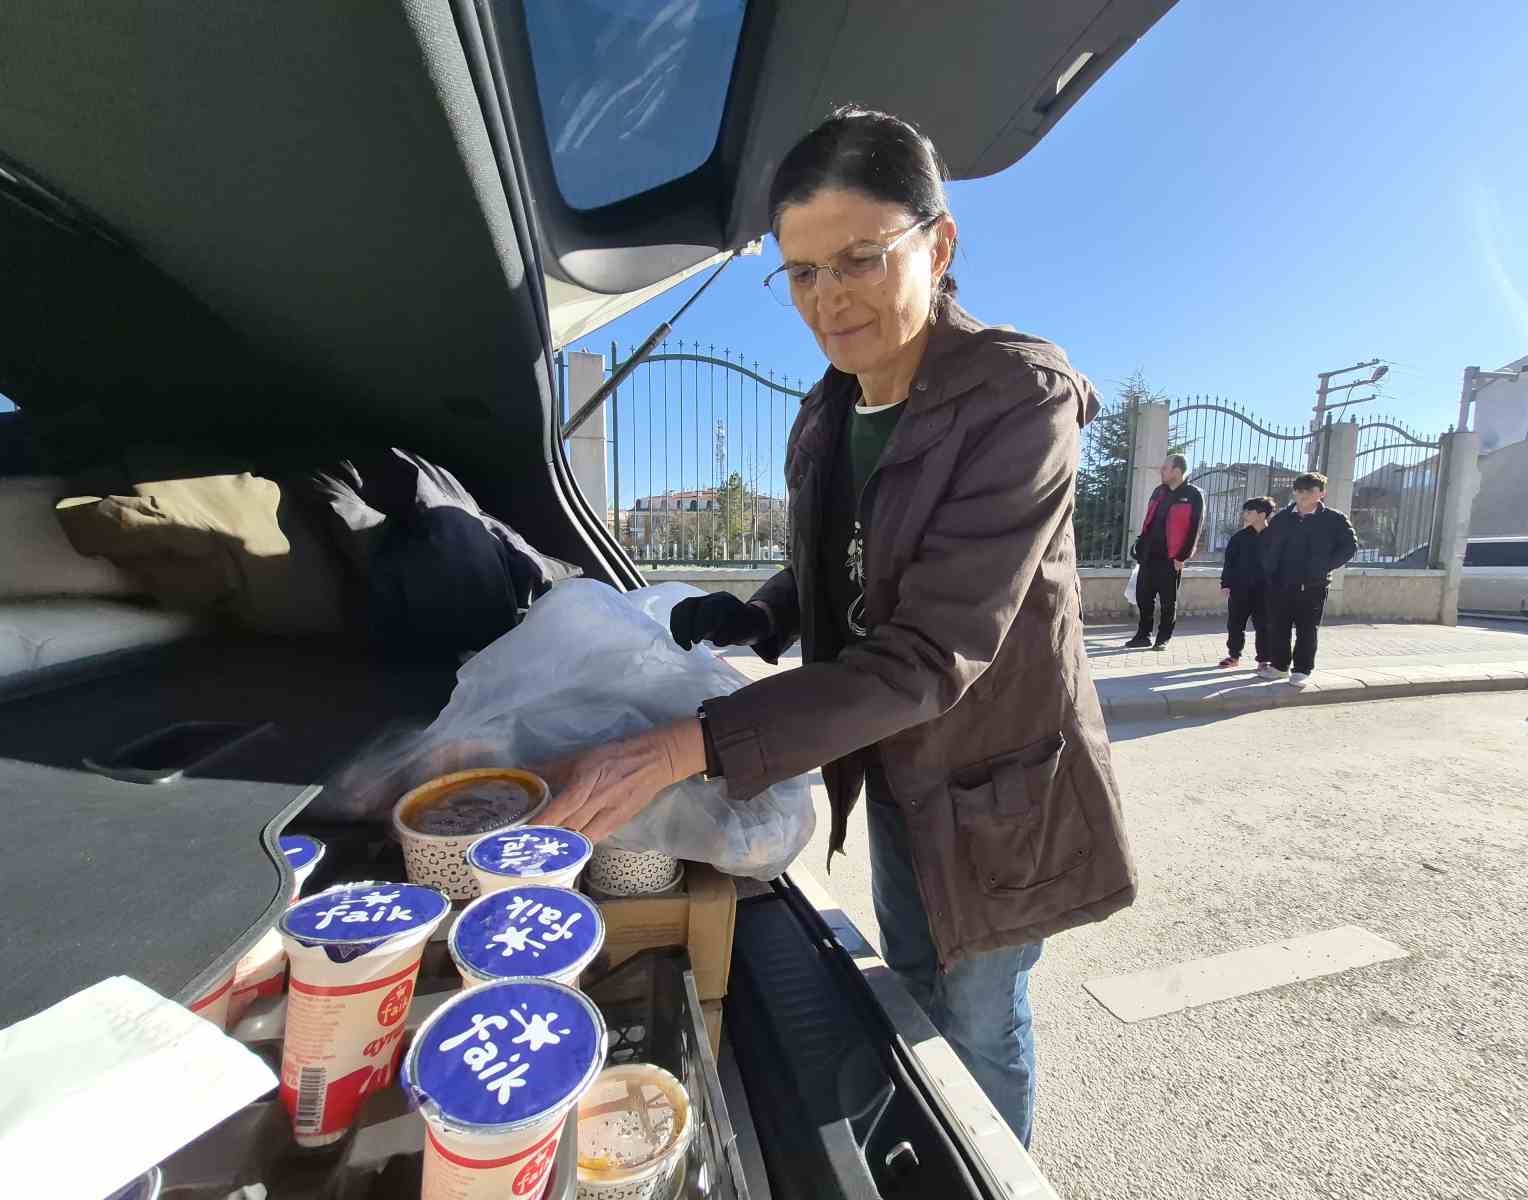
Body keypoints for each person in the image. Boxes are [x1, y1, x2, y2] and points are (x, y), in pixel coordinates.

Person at [533, 107, 1136, 1147]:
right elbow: (846, 562)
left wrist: (686, 746)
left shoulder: (1018, 399)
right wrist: (760, 611)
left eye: (859, 259)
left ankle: (990, 1168)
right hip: (891, 762)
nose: (828, 299)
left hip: (996, 786)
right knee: (911, 985)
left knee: (981, 1013)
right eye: (803, 272)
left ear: (938, 245)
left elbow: (931, 648)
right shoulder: (827, 412)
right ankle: (930, 1144)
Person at [1258, 472, 1358, 686]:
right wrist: (1269, 569)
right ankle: (1279, 667)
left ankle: (1302, 670)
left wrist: (1323, 567)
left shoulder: (1334, 519)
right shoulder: (1282, 518)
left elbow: (1349, 547)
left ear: (1321, 493)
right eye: (1299, 490)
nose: (1302, 495)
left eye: (1309, 490)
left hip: (1313, 585)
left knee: (1307, 629)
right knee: (1278, 627)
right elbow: (1266, 545)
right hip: (1280, 584)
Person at [1125, 454, 1205, 650]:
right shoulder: (1158, 492)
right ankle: (1143, 635)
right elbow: (1149, 519)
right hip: (1148, 555)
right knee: (1143, 597)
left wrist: (1183, 556)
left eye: (1165, 468)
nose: (1161, 471)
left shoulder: (1193, 495)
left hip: (1171, 557)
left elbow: (1195, 529)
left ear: (1177, 471)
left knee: (1168, 601)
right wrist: (1140, 544)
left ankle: (1163, 638)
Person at [1218, 496, 1275, 668]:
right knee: (1235, 624)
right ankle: (1234, 656)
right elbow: (1229, 562)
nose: (1245, 514)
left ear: (1262, 514)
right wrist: (1225, 584)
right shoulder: (1239, 537)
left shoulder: (1275, 536)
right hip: (1240, 588)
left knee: (1264, 625)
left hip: (1266, 590)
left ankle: (1264, 660)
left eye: (1249, 511)